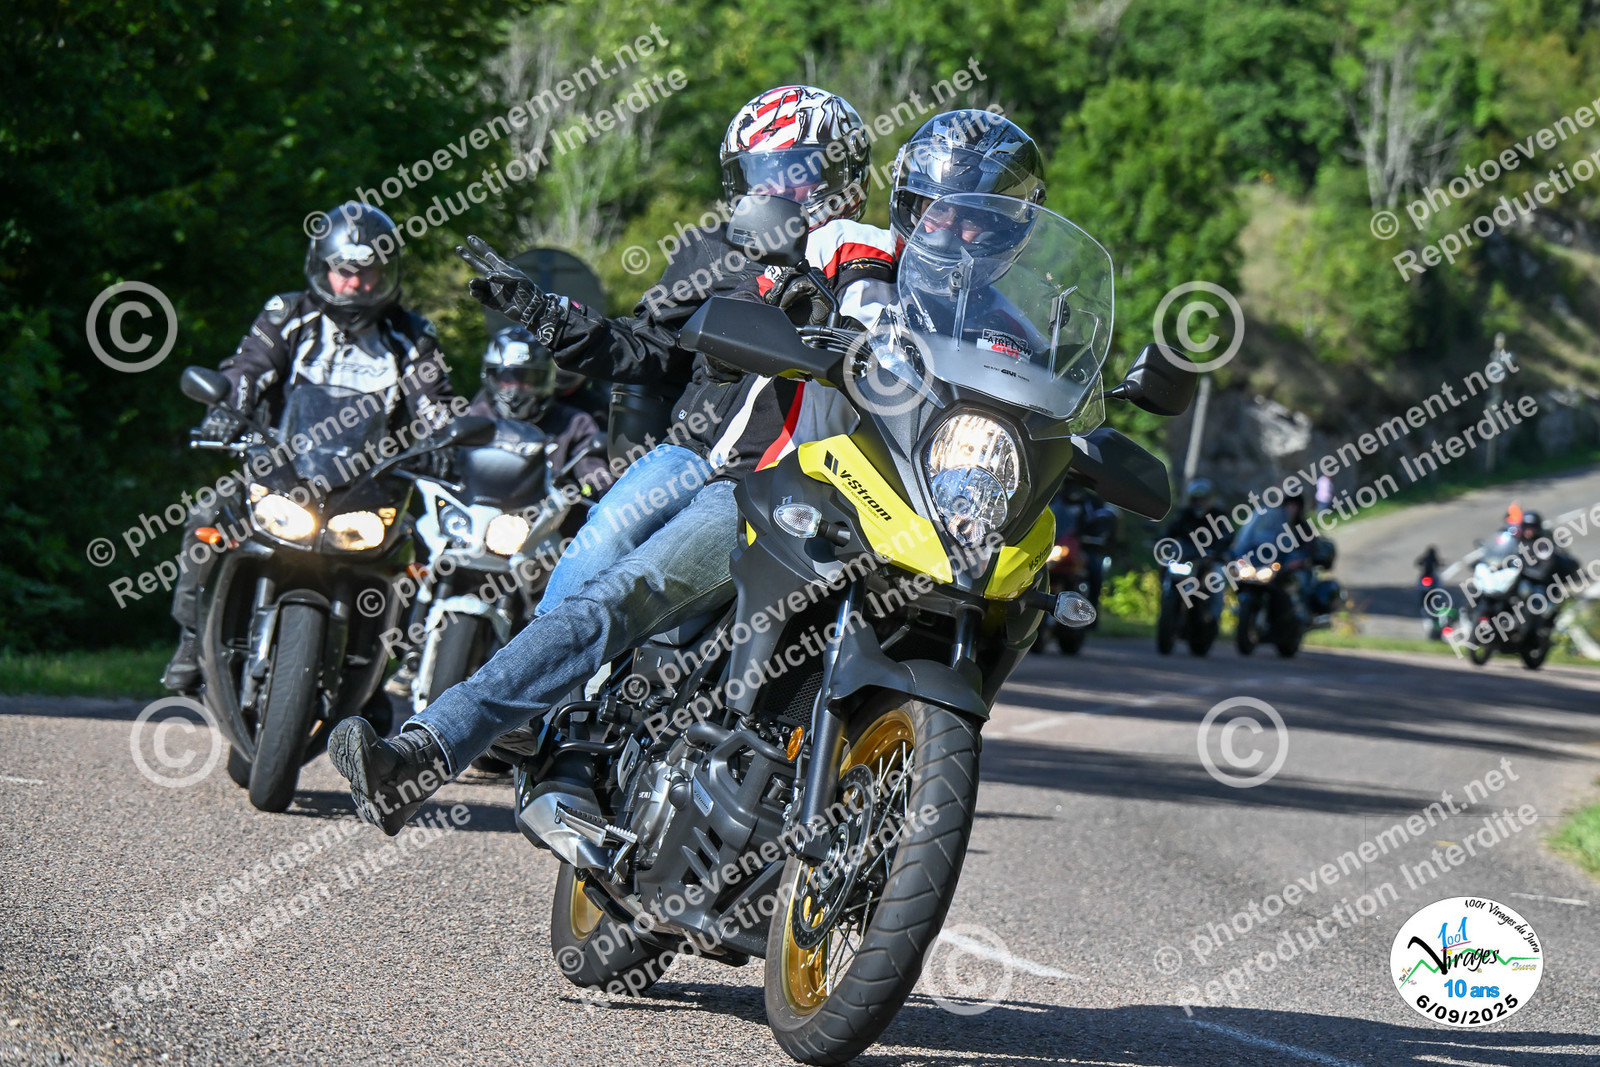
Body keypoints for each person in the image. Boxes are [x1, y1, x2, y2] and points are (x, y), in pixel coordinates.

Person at [328, 87, 897, 835]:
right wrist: (548, 317)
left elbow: (891, 351)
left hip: (772, 477)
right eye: (759, 171)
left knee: (626, 588)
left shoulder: (867, 256)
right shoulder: (712, 250)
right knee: (595, 547)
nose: (773, 186)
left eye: (792, 169)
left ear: (840, 175)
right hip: (690, 449)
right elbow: (648, 348)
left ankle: (472, 737)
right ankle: (534, 726)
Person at [162, 203, 455, 693]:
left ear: (387, 273)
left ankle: (376, 676)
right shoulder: (289, 314)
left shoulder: (411, 335)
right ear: (322, 268)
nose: (355, 284)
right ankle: (193, 638)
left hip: (371, 486)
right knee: (207, 515)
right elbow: (249, 368)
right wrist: (226, 408)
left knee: (414, 550)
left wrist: (444, 441)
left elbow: (434, 402)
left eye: (367, 273)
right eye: (344, 271)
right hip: (281, 470)